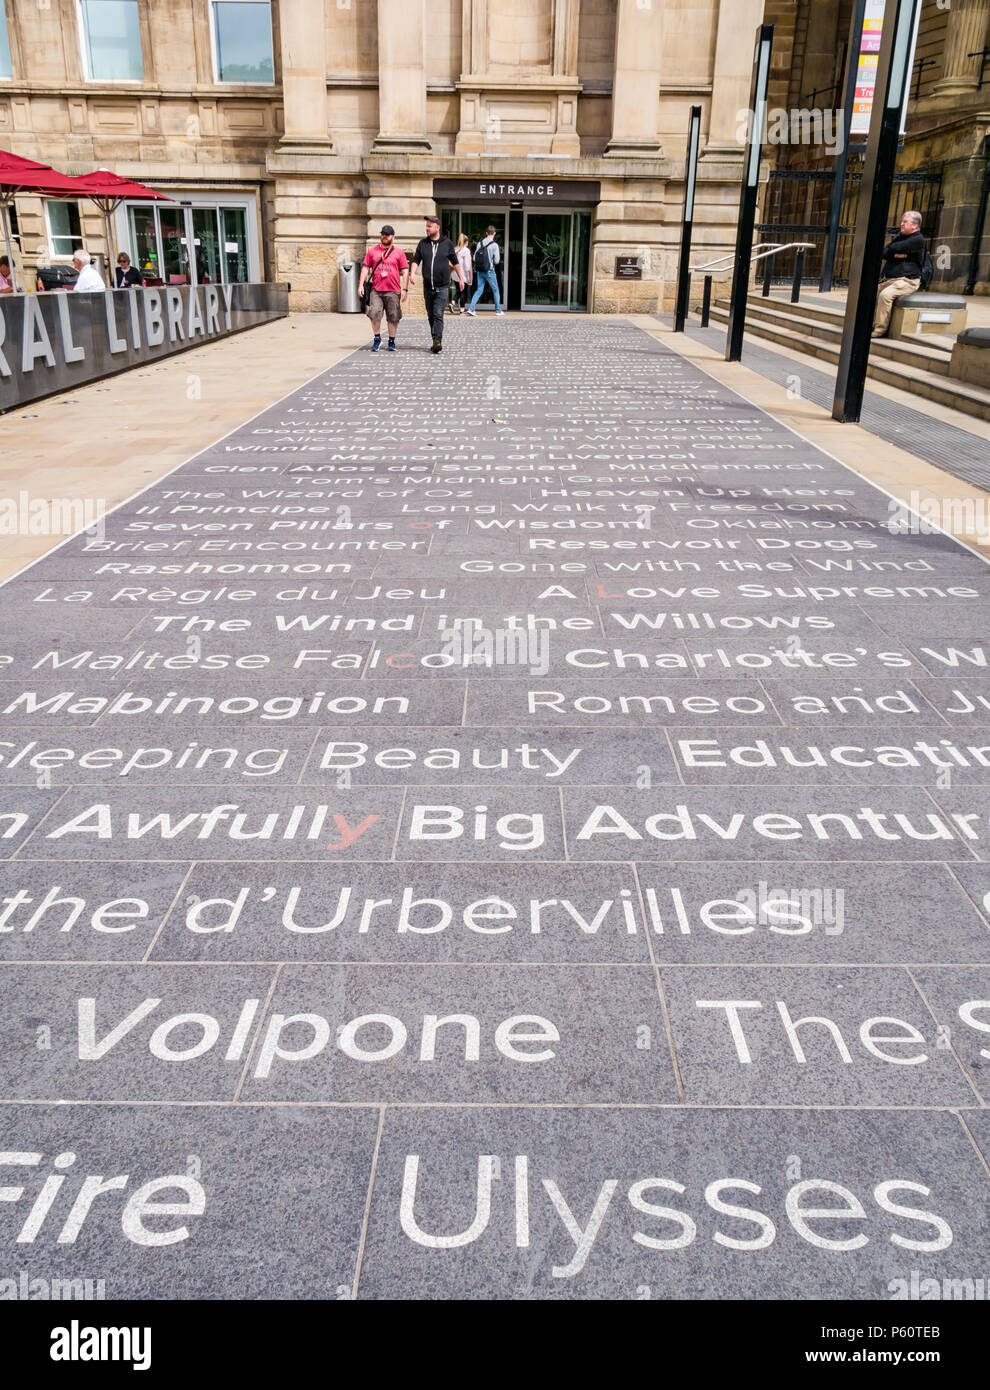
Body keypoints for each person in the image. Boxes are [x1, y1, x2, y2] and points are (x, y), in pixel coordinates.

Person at [409, 214, 464, 354]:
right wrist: (412, 273)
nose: (427, 228)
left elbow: (455, 262)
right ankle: (435, 337)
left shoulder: (447, 244)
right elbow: (416, 260)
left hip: (442, 286)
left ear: (437, 227)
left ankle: (437, 340)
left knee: (438, 313)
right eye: (426, 226)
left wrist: (461, 279)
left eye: (429, 226)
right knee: (431, 315)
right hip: (428, 287)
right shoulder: (423, 244)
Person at [872, 211, 927, 339]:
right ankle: (871, 324)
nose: (901, 224)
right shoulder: (900, 237)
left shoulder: (918, 240)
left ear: (914, 225)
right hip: (891, 279)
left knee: (885, 295)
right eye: (902, 221)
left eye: (905, 222)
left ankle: (880, 329)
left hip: (907, 281)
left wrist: (893, 252)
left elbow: (893, 249)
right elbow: (884, 252)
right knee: (872, 292)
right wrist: (897, 254)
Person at [358, 224, 409, 352]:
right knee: (374, 313)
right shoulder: (373, 251)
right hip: (376, 289)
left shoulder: (399, 252)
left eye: (387, 235)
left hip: (393, 289)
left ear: (393, 237)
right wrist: (360, 284)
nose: (384, 236)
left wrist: (405, 289)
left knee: (393, 316)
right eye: (382, 234)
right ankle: (377, 338)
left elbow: (405, 270)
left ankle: (391, 341)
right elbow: (365, 267)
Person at [466, 225, 505, 316]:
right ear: (494, 233)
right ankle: (498, 310)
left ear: (486, 233)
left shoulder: (480, 243)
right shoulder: (494, 245)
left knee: (479, 289)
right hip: (490, 270)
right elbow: (497, 261)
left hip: (480, 270)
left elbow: (475, 257)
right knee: (495, 290)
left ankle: (471, 309)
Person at [454, 233, 473, 313]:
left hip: (455, 274)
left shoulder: (456, 249)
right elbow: (467, 265)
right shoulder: (466, 251)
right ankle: (462, 309)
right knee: (463, 292)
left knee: (459, 290)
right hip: (463, 274)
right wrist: (468, 277)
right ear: (466, 242)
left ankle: (453, 302)